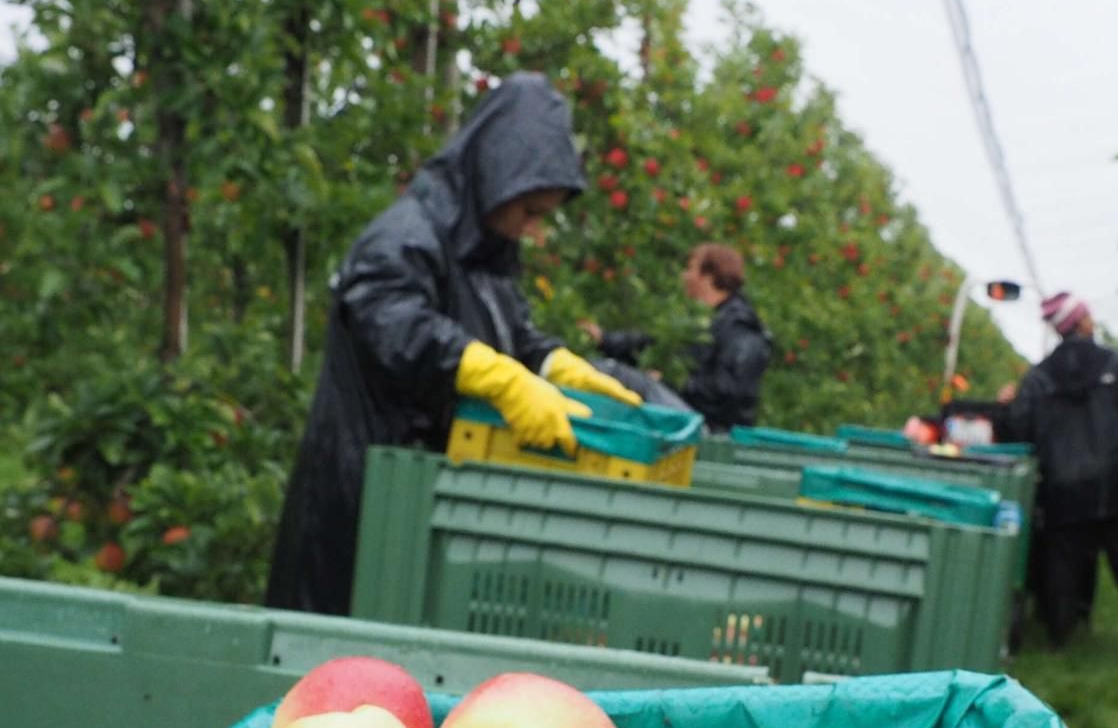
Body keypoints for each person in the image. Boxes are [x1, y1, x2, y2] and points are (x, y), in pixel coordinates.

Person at [265, 72, 639, 616]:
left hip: (426, 505)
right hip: (367, 499)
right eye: (530, 211)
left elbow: (508, 332)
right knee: (343, 666)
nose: (533, 229)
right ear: (497, 178)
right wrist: (498, 376)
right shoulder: (406, 237)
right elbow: (393, 323)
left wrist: (550, 362)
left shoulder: (483, 251)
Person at [996, 290, 1118, 662]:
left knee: (1062, 567)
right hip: (1114, 483)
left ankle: (1059, 643)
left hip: (1063, 488)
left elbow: (1019, 433)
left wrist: (1004, 411)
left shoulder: (1038, 379)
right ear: (1083, 323)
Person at [673, 242, 772, 432]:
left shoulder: (739, 325)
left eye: (690, 269)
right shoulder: (711, 319)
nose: (685, 276)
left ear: (707, 277)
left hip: (715, 431)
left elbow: (729, 388)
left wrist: (674, 383)